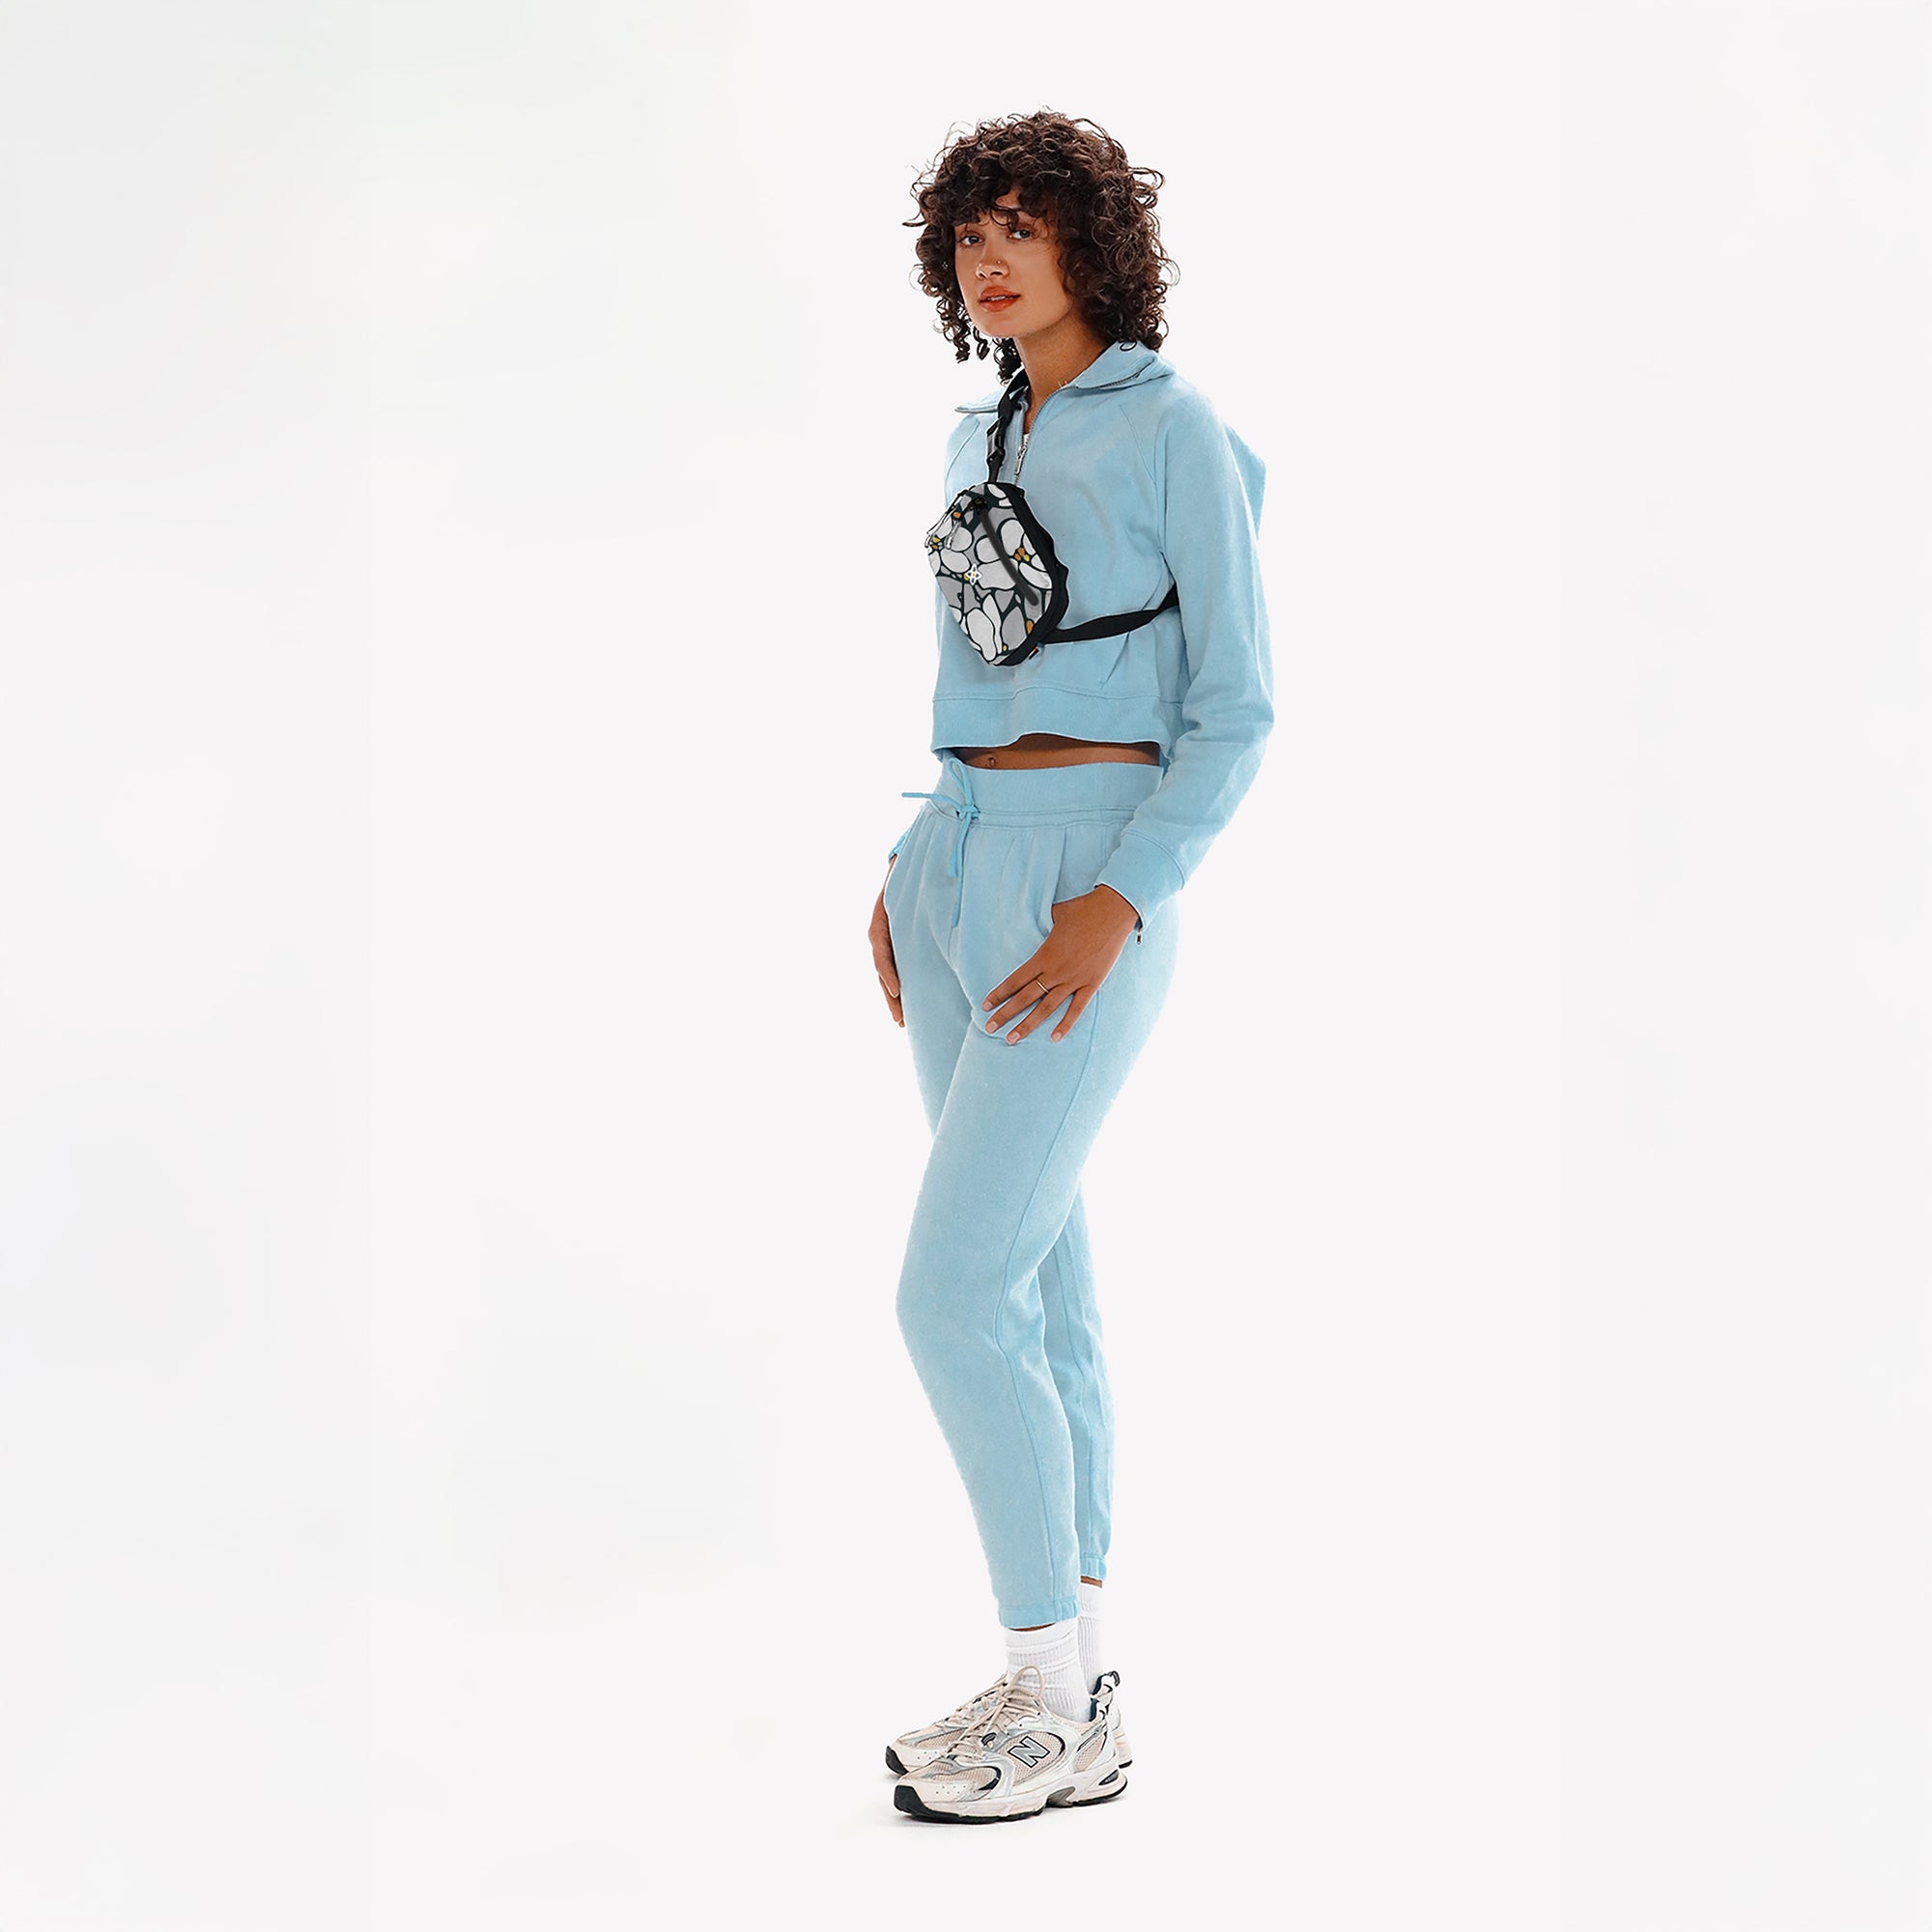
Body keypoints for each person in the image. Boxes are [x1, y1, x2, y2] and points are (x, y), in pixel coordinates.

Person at [870, 109, 1273, 1824]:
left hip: (1083, 882)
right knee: (1033, 1289)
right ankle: (1078, 1684)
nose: (992, 255)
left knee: (950, 1293)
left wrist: (1123, 898)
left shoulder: (1176, 429)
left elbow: (1236, 708)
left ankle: (1046, 1685)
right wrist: (915, 862)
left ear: (1094, 245)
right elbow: (986, 668)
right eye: (972, 232)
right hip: (956, 861)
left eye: (1023, 227)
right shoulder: (981, 433)